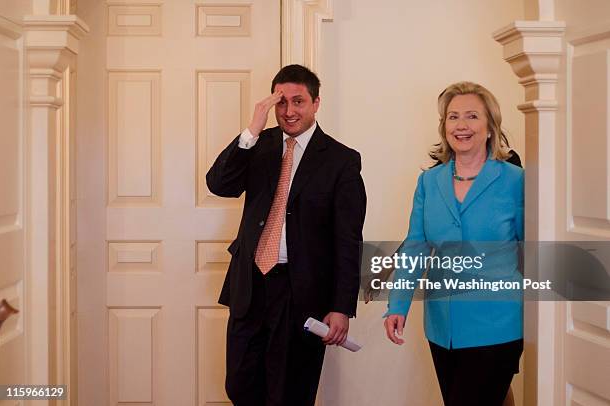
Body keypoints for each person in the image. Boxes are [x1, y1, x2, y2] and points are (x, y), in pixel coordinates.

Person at [206, 64, 366, 406]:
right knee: (240, 385)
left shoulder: (342, 160)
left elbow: (348, 240)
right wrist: (251, 129)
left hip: (302, 293)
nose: (289, 111)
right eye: (281, 102)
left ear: (316, 103)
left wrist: (341, 307)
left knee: (291, 392)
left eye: (298, 101)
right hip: (251, 285)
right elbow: (219, 184)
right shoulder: (258, 146)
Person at [383, 81, 524, 406]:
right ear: (443, 125)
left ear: (490, 127)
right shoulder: (429, 182)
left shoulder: (515, 181)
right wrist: (398, 306)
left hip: (498, 324)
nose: (461, 125)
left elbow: (529, 250)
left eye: (472, 116)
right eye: (453, 117)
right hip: (442, 326)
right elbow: (416, 249)